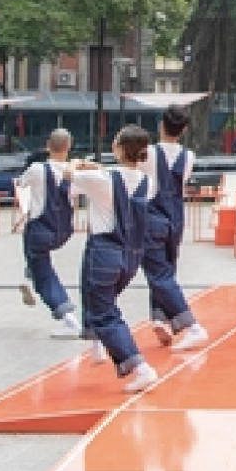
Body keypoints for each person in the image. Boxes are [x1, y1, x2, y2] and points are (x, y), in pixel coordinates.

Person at [70, 125, 160, 392]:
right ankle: (98, 344)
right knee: (101, 302)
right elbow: (116, 176)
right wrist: (95, 167)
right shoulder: (147, 182)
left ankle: (139, 366)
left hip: (104, 252)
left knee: (105, 312)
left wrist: (76, 163)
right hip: (131, 255)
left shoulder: (102, 180)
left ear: (118, 149)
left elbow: (67, 174)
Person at [143, 105, 209, 352]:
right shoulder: (188, 156)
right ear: (184, 130)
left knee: (158, 274)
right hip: (176, 217)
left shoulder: (148, 153)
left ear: (161, 124)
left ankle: (192, 326)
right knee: (165, 271)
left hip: (152, 216)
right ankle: (160, 318)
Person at [15, 128, 82, 337]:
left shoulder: (37, 169)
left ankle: (67, 316)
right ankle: (31, 273)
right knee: (38, 263)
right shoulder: (75, 173)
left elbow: (20, 183)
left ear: (47, 146)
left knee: (42, 273)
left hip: (40, 230)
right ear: (68, 147)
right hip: (63, 230)